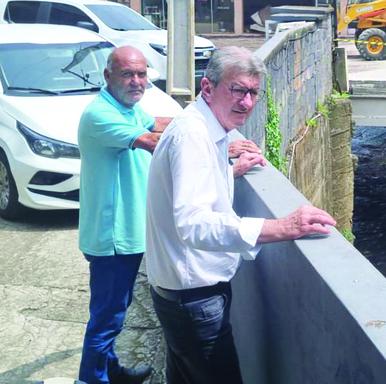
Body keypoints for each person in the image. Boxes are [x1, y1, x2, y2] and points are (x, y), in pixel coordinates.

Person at [145, 46, 337, 384]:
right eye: (237, 90)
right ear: (207, 88)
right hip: (193, 301)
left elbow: (186, 190)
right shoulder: (192, 136)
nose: (247, 102)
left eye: (253, 93)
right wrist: (282, 226)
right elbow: (193, 223)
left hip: (179, 296)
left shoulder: (201, 127)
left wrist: (226, 172)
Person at [77, 46, 171, 384]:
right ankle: (90, 380)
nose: (136, 81)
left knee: (115, 311)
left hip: (128, 236)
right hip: (112, 239)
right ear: (107, 77)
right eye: (127, 74)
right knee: (106, 320)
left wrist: (205, 119)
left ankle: (111, 370)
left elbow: (158, 122)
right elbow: (152, 140)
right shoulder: (100, 114)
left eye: (142, 74)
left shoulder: (128, 107)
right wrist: (221, 147)